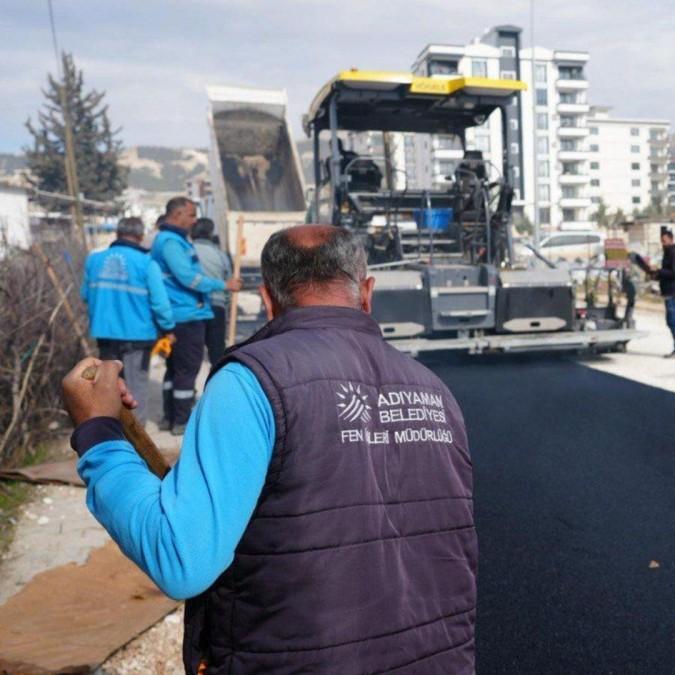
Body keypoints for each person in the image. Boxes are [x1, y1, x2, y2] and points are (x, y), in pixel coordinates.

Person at [61, 225, 476, 673]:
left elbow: (181, 558)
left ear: (268, 299)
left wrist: (100, 435)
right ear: (367, 292)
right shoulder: (435, 392)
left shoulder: (251, 384)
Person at [150, 197, 241, 434]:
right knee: (187, 370)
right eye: (191, 215)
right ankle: (181, 421)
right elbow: (188, 277)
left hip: (183, 314)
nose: (194, 220)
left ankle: (169, 416)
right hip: (186, 315)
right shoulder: (170, 242)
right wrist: (223, 285)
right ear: (177, 214)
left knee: (174, 369)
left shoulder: (176, 241)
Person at [80, 216, 174, 422]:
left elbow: (85, 296)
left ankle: (112, 429)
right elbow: (160, 304)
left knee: (109, 385)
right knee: (136, 386)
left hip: (104, 334)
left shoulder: (94, 260)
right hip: (137, 336)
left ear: (117, 234)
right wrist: (168, 327)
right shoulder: (147, 263)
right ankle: (136, 437)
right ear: (140, 236)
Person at [191, 218, 233, 364]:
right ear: (210, 233)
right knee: (217, 352)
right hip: (217, 306)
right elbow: (228, 281)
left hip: (193, 307)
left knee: (191, 354)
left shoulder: (186, 251)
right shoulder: (220, 255)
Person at [651, 227, 675, 357]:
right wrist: (657, 274)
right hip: (669, 292)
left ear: (671, 240)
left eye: (665, 241)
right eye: (662, 241)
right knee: (671, 321)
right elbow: (667, 272)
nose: (663, 243)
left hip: (674, 292)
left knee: (672, 321)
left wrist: (660, 271)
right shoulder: (667, 254)